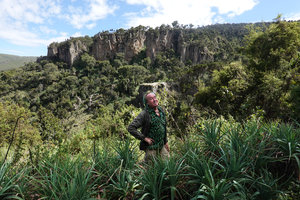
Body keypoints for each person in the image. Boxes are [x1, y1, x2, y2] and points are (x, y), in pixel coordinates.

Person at [128, 91, 169, 162]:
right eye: (151, 99)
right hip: (151, 147)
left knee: (168, 164)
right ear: (147, 103)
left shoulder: (161, 111)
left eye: (155, 97)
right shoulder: (144, 114)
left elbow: (163, 127)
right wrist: (144, 138)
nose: (154, 100)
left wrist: (165, 142)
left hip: (161, 145)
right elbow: (131, 128)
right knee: (151, 169)